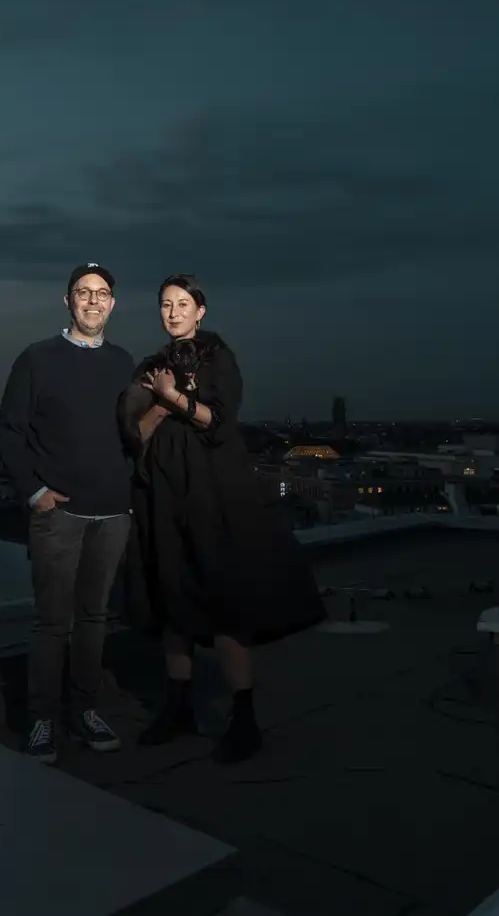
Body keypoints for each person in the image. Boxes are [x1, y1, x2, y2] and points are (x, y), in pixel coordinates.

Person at [119, 274, 326, 763]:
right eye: (165, 304)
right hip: (164, 498)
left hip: (213, 498)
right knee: (172, 600)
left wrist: (170, 400)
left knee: (225, 601)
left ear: (201, 310)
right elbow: (134, 432)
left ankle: (243, 717)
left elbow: (219, 421)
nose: (172, 312)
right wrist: (162, 408)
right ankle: (178, 708)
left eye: (182, 304)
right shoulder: (151, 365)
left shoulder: (218, 356)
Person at [0, 262, 137, 764]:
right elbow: (9, 432)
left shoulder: (125, 363)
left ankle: (86, 709)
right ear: (68, 301)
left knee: (95, 617)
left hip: (113, 514)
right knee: (53, 622)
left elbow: (137, 436)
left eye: (102, 294)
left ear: (113, 305)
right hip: (58, 515)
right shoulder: (36, 359)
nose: (93, 301)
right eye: (84, 293)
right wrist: (35, 493)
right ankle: (40, 720)